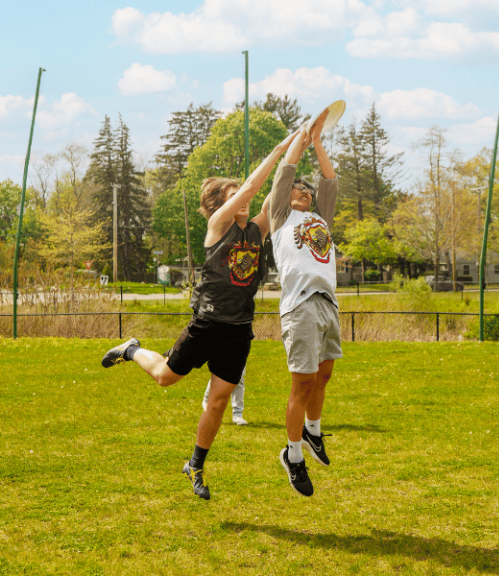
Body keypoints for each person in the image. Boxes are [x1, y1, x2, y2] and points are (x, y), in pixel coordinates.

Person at [101, 132, 296, 501]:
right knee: (164, 378)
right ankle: (131, 349)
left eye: (243, 195)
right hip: (206, 324)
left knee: (219, 402)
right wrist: (277, 149)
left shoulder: (257, 229)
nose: (245, 198)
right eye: (234, 195)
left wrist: (302, 142)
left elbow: (277, 188)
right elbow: (257, 183)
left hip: (239, 330)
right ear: (220, 205)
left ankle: (195, 463)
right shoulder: (218, 227)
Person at [267, 111, 341, 497]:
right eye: (300, 189)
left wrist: (318, 141)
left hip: (328, 303)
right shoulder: (280, 217)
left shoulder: (320, 217)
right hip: (300, 305)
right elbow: (287, 168)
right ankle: (293, 456)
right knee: (303, 383)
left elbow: (329, 179)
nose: (306, 191)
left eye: (308, 191)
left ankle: (313, 432)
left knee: (324, 377)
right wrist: (303, 135)